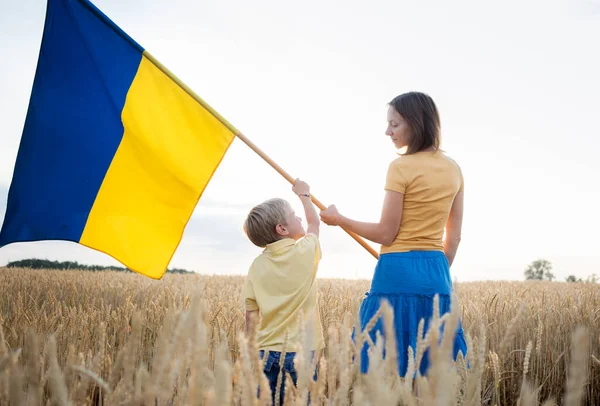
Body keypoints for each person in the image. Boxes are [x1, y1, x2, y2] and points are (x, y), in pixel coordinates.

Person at [319, 91, 467, 376]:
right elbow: (455, 236)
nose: (388, 131)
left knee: (384, 368)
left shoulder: (400, 167)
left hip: (396, 269)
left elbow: (387, 233)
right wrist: (434, 268)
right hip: (437, 272)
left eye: (394, 124)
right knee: (434, 371)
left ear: (415, 122)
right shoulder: (454, 169)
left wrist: (339, 219)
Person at [241, 179, 324, 404]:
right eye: (294, 215)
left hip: (265, 352)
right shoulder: (305, 251)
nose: (299, 218)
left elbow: (251, 315)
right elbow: (314, 224)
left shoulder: (256, 266)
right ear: (282, 229)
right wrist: (305, 195)